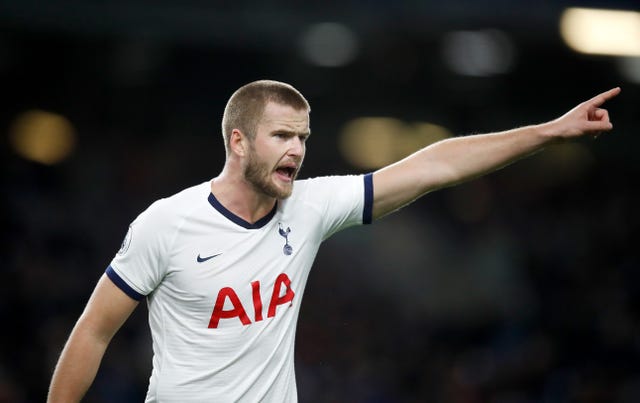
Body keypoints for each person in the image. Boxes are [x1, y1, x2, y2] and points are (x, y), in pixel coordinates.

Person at [47, 80, 620, 402]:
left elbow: (434, 166)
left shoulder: (311, 206)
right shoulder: (165, 225)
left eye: (303, 137)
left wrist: (547, 133)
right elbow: (93, 333)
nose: (297, 149)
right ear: (239, 141)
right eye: (281, 136)